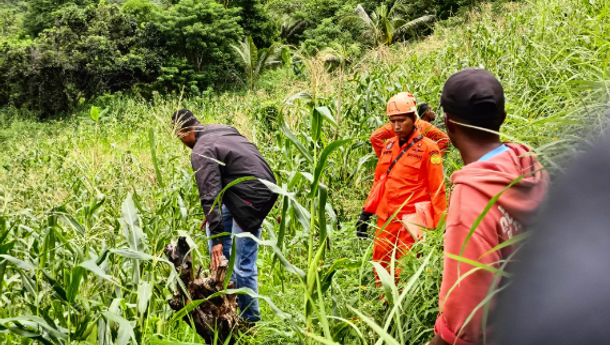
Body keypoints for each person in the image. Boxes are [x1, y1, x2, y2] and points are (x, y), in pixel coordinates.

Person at [428, 69, 549, 345]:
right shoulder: (527, 163)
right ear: (502, 118)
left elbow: (465, 321)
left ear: (448, 124)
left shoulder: (470, 199)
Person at [172, 109, 278, 323]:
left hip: (253, 195)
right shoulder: (221, 128)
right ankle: (226, 299)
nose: (182, 142)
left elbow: (209, 192)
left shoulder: (201, 149)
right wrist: (213, 220)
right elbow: (225, 176)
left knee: (243, 263)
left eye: (180, 137)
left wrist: (219, 240)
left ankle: (250, 321)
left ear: (183, 132)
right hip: (249, 188)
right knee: (215, 232)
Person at [357, 92, 447, 278]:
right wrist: (366, 213)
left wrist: (442, 229)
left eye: (402, 121)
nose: (396, 126)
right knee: (381, 265)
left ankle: (404, 306)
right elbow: (379, 182)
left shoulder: (429, 149)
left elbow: (438, 191)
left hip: (411, 221)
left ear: (414, 118)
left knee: (405, 269)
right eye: (392, 121)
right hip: (386, 220)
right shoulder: (388, 146)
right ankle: (384, 304)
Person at [370, 99, 450, 157]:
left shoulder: (392, 126)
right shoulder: (424, 126)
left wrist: (387, 155)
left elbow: (374, 137)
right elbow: (445, 139)